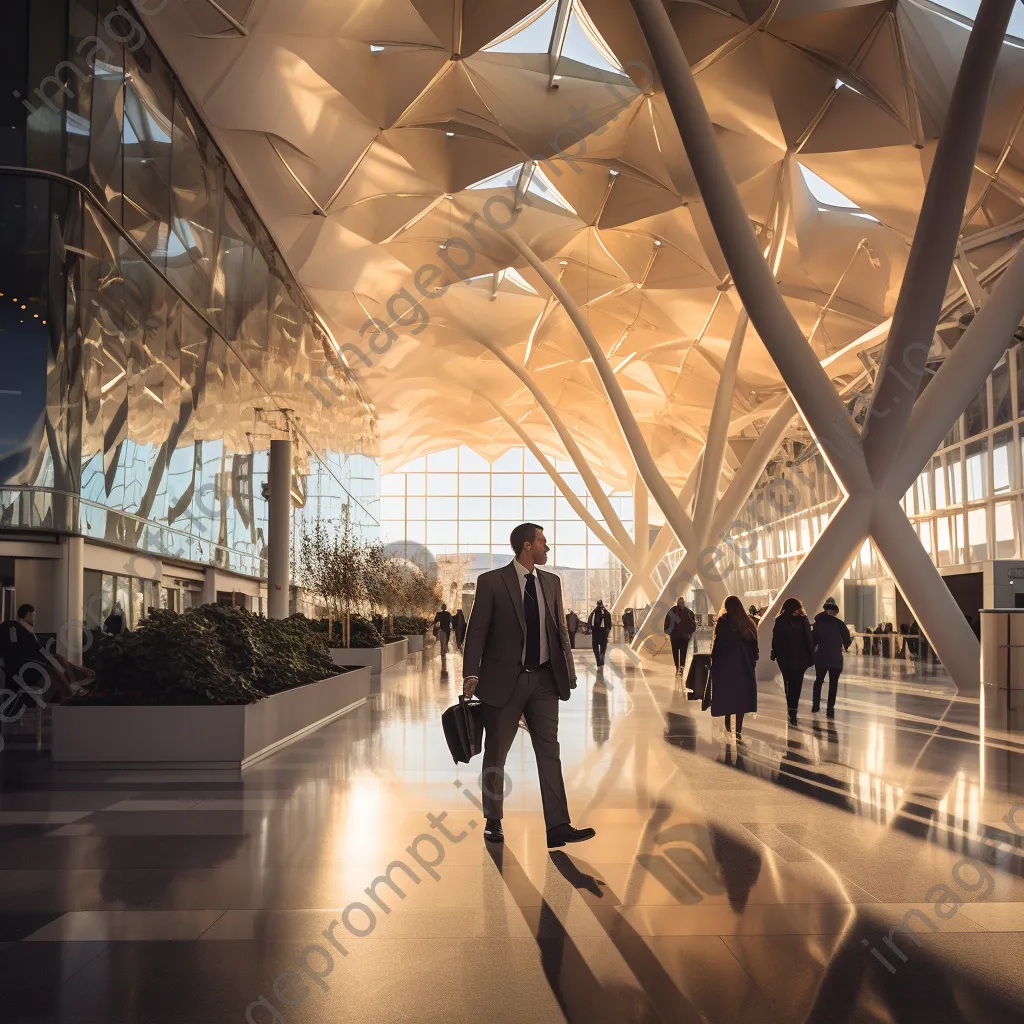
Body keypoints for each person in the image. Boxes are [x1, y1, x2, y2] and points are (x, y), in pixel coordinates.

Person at [462, 523, 594, 849]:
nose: (546, 547)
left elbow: (561, 631)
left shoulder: (552, 583)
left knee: (550, 752)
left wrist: (569, 673)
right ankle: (493, 818)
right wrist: (471, 674)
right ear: (526, 546)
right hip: (505, 681)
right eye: (542, 542)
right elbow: (476, 632)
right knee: (497, 752)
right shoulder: (492, 582)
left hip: (546, 681)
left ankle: (558, 825)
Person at [0, 604, 89, 705]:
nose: (35, 618)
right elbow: (34, 648)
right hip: (28, 660)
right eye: (34, 615)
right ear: (28, 615)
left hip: (32, 656)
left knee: (59, 658)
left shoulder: (24, 628)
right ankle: (70, 689)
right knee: (53, 661)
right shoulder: (20, 629)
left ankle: (74, 687)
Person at [710, 596, 759, 741]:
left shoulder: (723, 622)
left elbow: (718, 644)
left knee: (727, 694)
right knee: (741, 696)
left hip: (726, 663)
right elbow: (754, 646)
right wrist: (752, 661)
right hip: (744, 664)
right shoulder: (748, 623)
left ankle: (727, 724)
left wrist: (714, 661)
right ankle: (738, 729)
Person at [770, 597, 814, 725]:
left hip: (784, 658)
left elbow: (775, 640)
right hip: (800, 658)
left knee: (787, 682)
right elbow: (808, 640)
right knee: (797, 683)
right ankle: (793, 710)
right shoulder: (803, 620)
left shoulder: (779, 620)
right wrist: (811, 658)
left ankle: (790, 708)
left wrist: (775, 654)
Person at [812, 597, 852, 718]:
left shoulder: (818, 623)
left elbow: (813, 641)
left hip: (821, 657)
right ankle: (830, 707)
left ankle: (815, 705)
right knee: (833, 683)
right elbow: (847, 641)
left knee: (819, 680)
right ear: (834, 611)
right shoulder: (840, 624)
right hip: (835, 659)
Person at [664, 596, 697, 673]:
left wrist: (689, 633)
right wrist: (669, 632)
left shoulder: (688, 612)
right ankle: (678, 667)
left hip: (683, 637)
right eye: (680, 602)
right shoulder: (675, 611)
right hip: (677, 637)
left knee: (682, 653)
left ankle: (681, 667)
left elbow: (692, 624)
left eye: (682, 602)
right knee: (677, 653)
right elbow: (667, 622)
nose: (681, 604)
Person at [587, 599, 612, 668]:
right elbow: (609, 625)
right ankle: (600, 661)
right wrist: (606, 633)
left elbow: (589, 623)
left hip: (596, 633)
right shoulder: (606, 613)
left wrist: (591, 629)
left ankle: (599, 661)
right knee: (602, 649)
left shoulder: (594, 613)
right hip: (602, 633)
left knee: (596, 648)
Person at [433, 603, 453, 670]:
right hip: (447, 630)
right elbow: (451, 621)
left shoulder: (439, 614)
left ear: (442, 608)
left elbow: (435, 621)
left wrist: (433, 625)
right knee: (446, 641)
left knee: (442, 642)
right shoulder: (448, 614)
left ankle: (443, 652)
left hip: (442, 630)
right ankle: (444, 651)